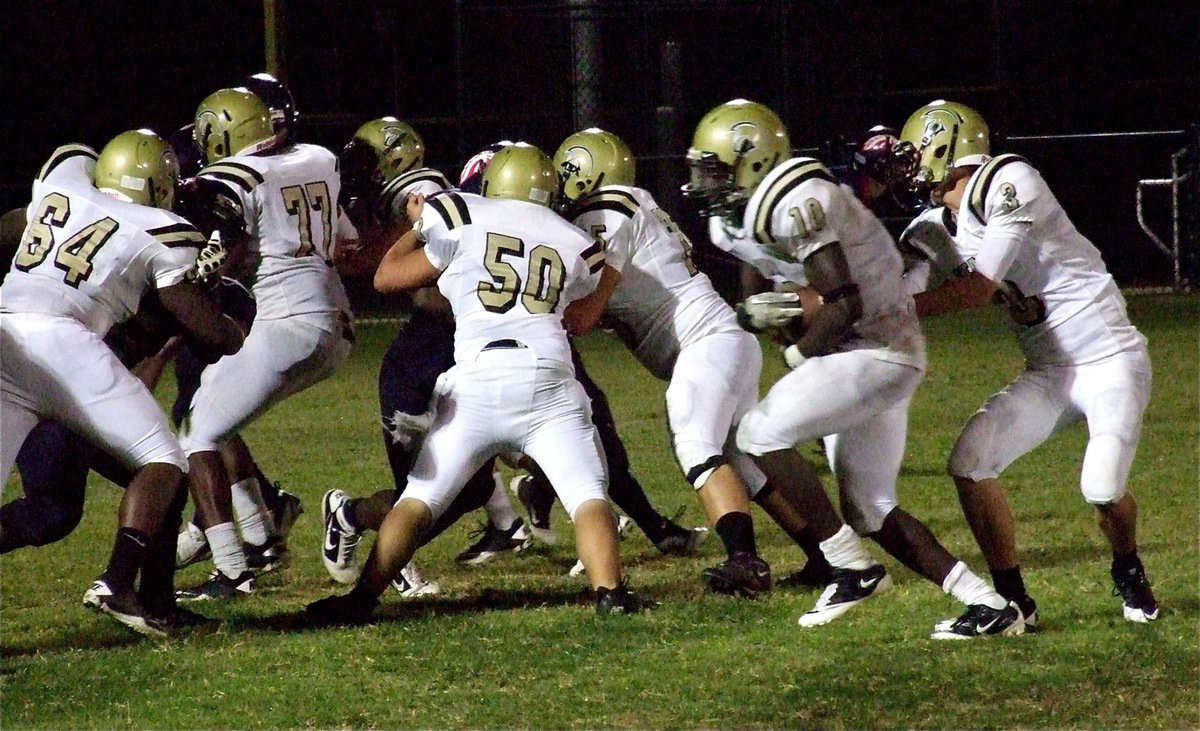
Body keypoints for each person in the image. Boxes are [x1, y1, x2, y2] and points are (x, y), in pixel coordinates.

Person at [684, 99, 1024, 637]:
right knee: (870, 507)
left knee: (757, 431)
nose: (704, 182)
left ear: (751, 159)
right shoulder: (734, 220)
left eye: (715, 168)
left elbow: (843, 302)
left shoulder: (800, 198)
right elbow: (755, 278)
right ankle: (987, 604)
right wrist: (757, 311)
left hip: (878, 346)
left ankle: (850, 567)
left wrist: (797, 354)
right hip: (866, 352)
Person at [306, 143, 648, 623]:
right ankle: (610, 593)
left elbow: (386, 278)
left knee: (419, 501)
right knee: (587, 494)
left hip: (477, 380)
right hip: (547, 378)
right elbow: (576, 313)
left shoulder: (460, 210)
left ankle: (363, 598)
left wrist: (415, 226)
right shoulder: (575, 240)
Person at [900, 99, 1159, 624]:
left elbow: (976, 290)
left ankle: (1127, 564)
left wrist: (889, 313)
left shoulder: (1009, 179)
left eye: (915, 151)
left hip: (1108, 357)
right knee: (969, 461)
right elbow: (904, 287)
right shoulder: (933, 223)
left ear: (947, 144)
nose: (910, 165)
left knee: (1103, 488)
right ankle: (1015, 600)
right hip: (1048, 370)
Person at [0, 131, 245, 637]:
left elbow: (14, 227)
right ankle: (116, 584)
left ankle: (158, 604)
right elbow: (211, 334)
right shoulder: (161, 229)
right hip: (64, 346)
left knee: (151, 479)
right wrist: (224, 313)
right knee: (164, 461)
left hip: (7, 336)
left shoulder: (61, 184)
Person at [174, 85, 356, 601]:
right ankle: (260, 531)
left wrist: (183, 283)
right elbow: (347, 239)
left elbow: (218, 255)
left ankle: (233, 568)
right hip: (337, 326)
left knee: (196, 433)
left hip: (288, 326)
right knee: (216, 417)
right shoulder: (318, 158)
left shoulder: (233, 177)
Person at [321, 117, 503, 595]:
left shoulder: (420, 191)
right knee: (429, 493)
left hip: (437, 357)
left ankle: (355, 518)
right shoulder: (412, 193)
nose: (359, 173)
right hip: (426, 361)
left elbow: (411, 242)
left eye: (367, 161)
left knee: (470, 488)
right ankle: (365, 529)